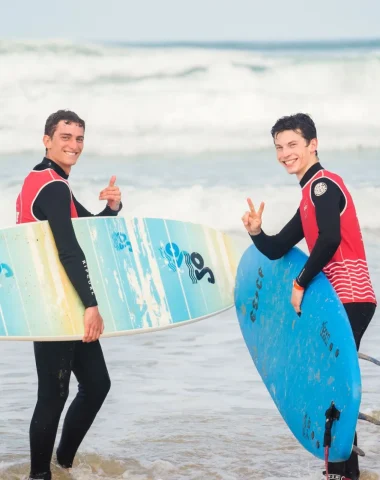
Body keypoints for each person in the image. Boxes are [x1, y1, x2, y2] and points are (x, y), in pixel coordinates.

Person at [241, 113, 376, 480]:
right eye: (279, 147)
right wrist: (256, 233)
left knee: (331, 389)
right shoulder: (308, 196)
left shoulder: (322, 187)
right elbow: (277, 248)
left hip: (348, 296)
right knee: (332, 387)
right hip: (340, 299)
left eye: (293, 145)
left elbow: (330, 240)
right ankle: (344, 472)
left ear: (312, 144)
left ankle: (340, 472)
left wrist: (300, 283)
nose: (286, 153)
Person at [16, 110, 123, 480]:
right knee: (53, 394)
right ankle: (38, 476)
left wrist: (112, 209)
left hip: (62, 301)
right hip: (55, 303)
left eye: (79, 138)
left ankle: (61, 465)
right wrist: (91, 305)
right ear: (47, 139)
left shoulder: (46, 181)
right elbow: (69, 250)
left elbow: (84, 232)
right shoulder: (53, 186)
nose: (73, 145)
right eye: (65, 137)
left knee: (96, 384)